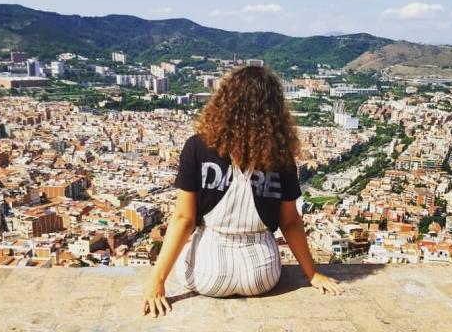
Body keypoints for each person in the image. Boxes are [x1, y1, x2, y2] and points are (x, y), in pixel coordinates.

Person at [143, 65, 343, 317]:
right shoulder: (281, 157)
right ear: (274, 110)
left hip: (207, 274)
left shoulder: (197, 147)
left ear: (224, 103)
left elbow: (184, 219)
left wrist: (157, 281)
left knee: (194, 239)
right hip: (262, 276)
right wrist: (312, 274)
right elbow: (290, 222)